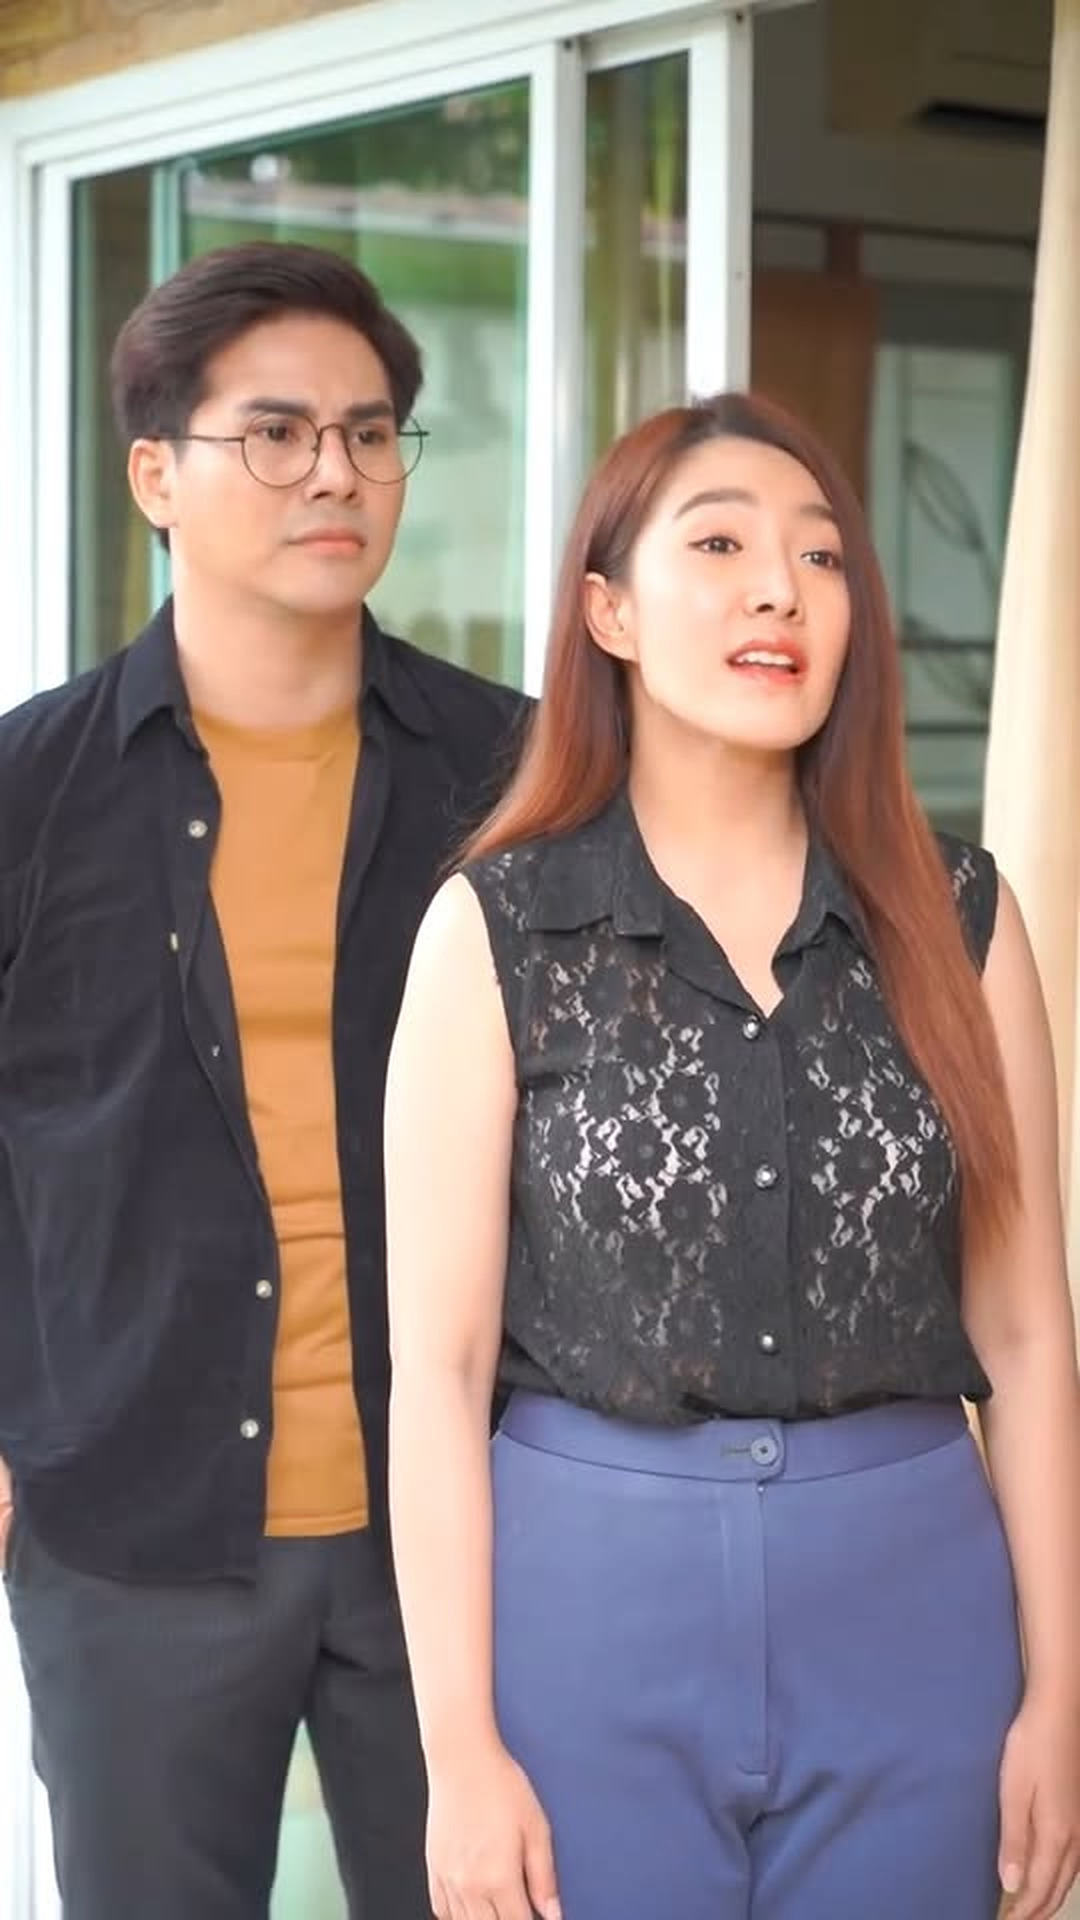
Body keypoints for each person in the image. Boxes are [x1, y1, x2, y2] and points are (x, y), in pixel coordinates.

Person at [384, 390, 1080, 1920]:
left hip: (916, 1613)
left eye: (821, 559)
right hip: (583, 1612)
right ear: (610, 614)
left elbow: (1031, 1341)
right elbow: (435, 1372)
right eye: (720, 546)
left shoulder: (963, 919)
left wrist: (1060, 1696)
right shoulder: (495, 931)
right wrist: (458, 1753)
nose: (782, 589)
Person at [0, 240, 525, 1920]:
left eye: (369, 434)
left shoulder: (519, 776)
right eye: (278, 432)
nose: (335, 474)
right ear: (155, 475)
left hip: (470, 1526)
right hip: (131, 1524)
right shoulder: (28, 790)